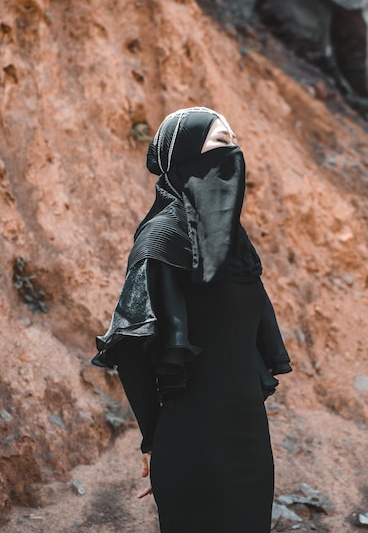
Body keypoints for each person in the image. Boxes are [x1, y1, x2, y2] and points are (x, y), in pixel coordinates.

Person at [92, 106, 292, 533]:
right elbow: (130, 343)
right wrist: (152, 440)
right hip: (193, 441)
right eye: (221, 140)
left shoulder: (232, 244)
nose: (234, 149)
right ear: (185, 154)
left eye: (235, 140)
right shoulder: (161, 236)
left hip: (251, 441)